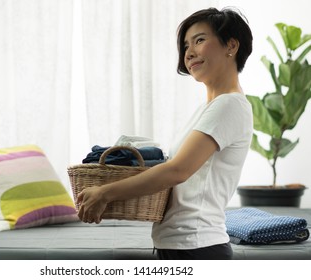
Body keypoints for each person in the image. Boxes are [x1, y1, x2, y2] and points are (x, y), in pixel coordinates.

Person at [77, 7, 253, 260]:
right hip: (181, 244)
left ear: (231, 46)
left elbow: (177, 171)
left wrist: (105, 193)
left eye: (199, 40)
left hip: (198, 246)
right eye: (185, 45)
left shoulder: (229, 105)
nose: (189, 52)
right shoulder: (208, 109)